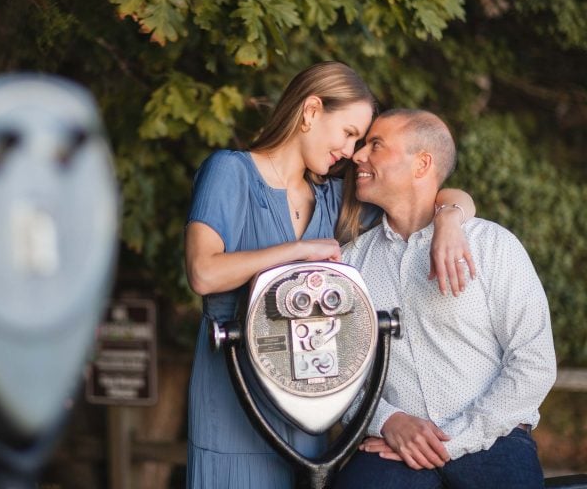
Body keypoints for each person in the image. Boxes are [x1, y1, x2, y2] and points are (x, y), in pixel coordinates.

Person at [184, 62, 477, 488]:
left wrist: (449, 221)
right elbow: (202, 273)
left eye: (360, 140)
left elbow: (433, 192)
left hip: (311, 412)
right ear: (311, 110)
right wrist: (299, 251)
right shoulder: (230, 172)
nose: (352, 150)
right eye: (349, 132)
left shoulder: (336, 200)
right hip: (233, 407)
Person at [335, 108, 557, 489]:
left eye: (376, 145)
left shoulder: (492, 246)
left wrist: (457, 440)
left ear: (422, 164)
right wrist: (386, 419)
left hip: (494, 439)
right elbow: (336, 370)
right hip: (393, 444)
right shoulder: (351, 262)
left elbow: (534, 363)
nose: (357, 155)